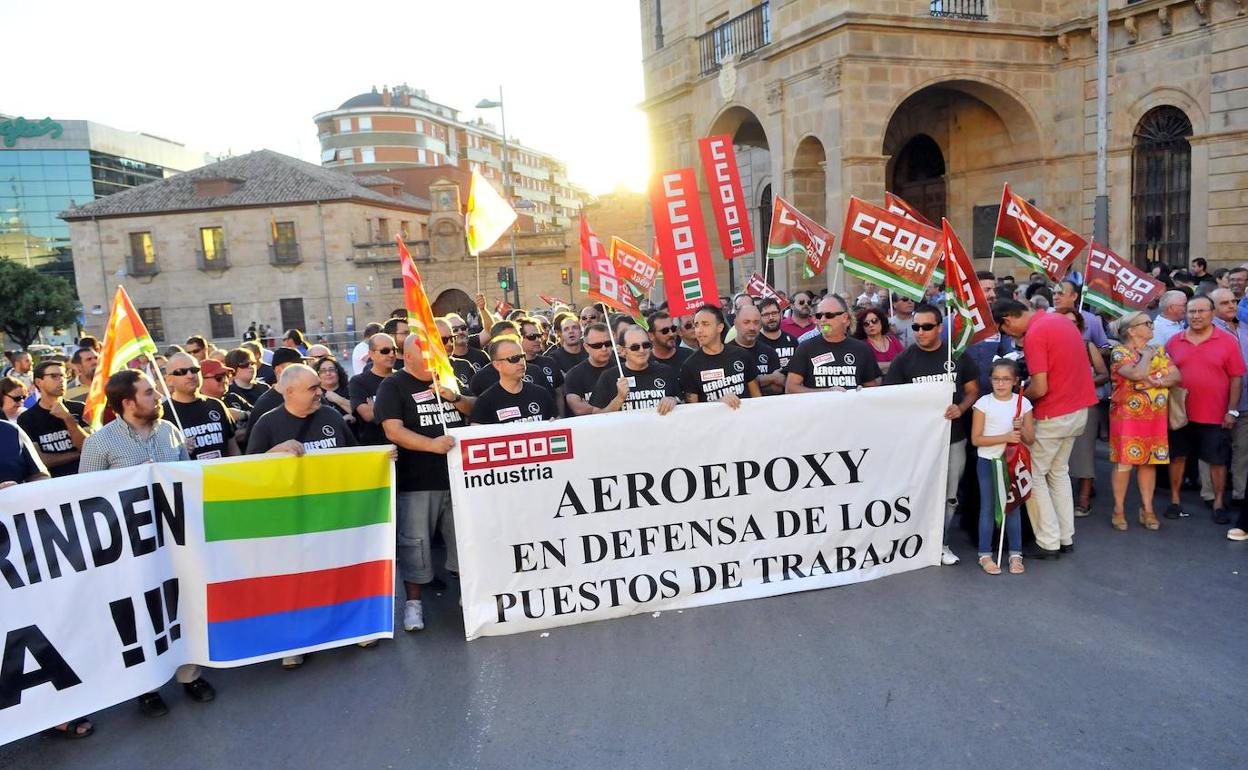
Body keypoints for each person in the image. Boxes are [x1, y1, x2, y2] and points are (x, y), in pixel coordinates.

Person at [79, 370, 215, 716]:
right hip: (131, 547)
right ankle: (147, 687)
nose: (158, 397)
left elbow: (188, 478)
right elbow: (86, 497)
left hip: (175, 539)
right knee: (143, 613)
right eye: (149, 392)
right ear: (128, 402)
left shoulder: (170, 431)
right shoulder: (100, 443)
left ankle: (189, 674)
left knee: (181, 604)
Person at [376, 335, 475, 632]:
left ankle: (469, 596)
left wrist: (454, 398)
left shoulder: (448, 377)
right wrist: (432, 445)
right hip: (417, 482)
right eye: (426, 352)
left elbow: (475, 409)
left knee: (464, 540)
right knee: (415, 545)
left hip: (458, 479)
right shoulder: (392, 386)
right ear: (407, 357)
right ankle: (413, 604)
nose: (434, 357)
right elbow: (393, 431)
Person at [992, 298, 1098, 559]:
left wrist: (1017, 399)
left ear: (1008, 320)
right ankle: (1064, 537)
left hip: (1053, 413)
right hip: (1078, 410)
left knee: (1034, 475)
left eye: (1006, 331)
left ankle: (1048, 541)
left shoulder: (1036, 333)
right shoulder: (1061, 320)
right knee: (1059, 473)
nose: (1010, 336)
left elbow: (1040, 388)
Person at [885, 303, 980, 565]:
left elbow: (973, 390)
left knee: (950, 496)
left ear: (939, 327)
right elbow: (891, 398)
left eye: (927, 327)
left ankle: (941, 543)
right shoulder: (904, 360)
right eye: (916, 327)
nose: (920, 332)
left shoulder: (957, 355)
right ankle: (916, 542)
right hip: (919, 442)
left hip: (954, 438)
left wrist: (961, 408)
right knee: (919, 493)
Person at [1164, 294, 1245, 524]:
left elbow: (1236, 378)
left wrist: (1232, 410)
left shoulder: (1228, 342)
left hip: (1215, 414)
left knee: (1217, 461)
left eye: (1202, 311)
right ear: (1186, 314)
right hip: (1181, 414)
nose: (1196, 316)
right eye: (1192, 311)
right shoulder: (1174, 341)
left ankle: (1218, 503)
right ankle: (1175, 500)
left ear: (1212, 314)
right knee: (1177, 458)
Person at [1108, 311, 1180, 531]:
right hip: (1127, 417)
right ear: (1131, 330)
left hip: (1155, 417)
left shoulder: (1159, 350)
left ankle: (1147, 509)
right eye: (1147, 323)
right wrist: (1147, 357)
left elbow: (1176, 376)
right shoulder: (1120, 352)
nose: (1152, 327)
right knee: (1124, 462)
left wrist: (1156, 382)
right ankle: (1119, 509)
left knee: (1149, 462)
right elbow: (1136, 374)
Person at [971, 360, 1035, 575]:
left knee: (1013, 507)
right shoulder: (983, 403)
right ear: (990, 380)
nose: (1000, 383)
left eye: (1006, 379)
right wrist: (1005, 437)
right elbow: (976, 439)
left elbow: (1030, 438)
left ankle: (1016, 554)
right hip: (988, 461)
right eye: (996, 379)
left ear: (1015, 381)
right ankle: (985, 554)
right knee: (988, 508)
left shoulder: (1023, 403)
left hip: (1013, 462)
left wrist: (1020, 429)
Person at [1054, 309, 1110, 517]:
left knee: (1084, 450)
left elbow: (1103, 374)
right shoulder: (1052, 345)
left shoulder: (1088, 346)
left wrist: (1083, 383)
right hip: (1057, 404)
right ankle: (1059, 495)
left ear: (1080, 327)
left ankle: (1084, 497)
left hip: (1085, 403)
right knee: (1058, 452)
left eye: (1073, 323)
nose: (1068, 327)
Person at [246, 364, 358, 455]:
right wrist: (274, 453)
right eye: (313, 388)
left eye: (319, 386)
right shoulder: (266, 424)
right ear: (290, 392)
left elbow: (355, 455)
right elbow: (251, 468)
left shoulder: (332, 415)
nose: (320, 392)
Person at [786, 295, 882, 393]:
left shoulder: (862, 349)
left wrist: (862, 392)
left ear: (844, 317)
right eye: (819, 316)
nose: (823, 320)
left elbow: (871, 387)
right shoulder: (806, 348)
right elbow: (790, 388)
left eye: (829, 315)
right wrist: (827, 393)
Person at [18, 360, 90, 477]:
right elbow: (40, 461)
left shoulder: (79, 408)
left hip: (86, 476)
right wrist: (78, 454)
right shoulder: (27, 418)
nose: (61, 380)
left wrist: (68, 418)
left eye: (63, 376)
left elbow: (89, 447)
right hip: (54, 481)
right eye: (54, 376)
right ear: (38, 382)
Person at [679, 304, 761, 406]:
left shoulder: (742, 355)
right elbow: (693, 410)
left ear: (720, 327)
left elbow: (757, 398)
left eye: (705, 324)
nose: (699, 330)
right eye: (696, 325)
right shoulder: (689, 366)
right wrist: (718, 404)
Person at [161, 353, 239, 460]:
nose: (190, 375)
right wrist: (177, 450)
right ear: (169, 380)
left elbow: (234, 450)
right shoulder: (163, 414)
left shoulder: (216, 405)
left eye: (194, 370)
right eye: (181, 372)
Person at [590, 326, 681, 414]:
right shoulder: (608, 376)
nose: (642, 350)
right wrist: (619, 398)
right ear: (622, 350)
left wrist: (673, 400)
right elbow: (595, 416)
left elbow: (683, 402)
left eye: (646, 345)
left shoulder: (665, 371)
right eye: (635, 347)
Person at [469, 337, 557, 424]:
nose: (521, 362)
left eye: (522, 357)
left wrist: (554, 423)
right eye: (514, 358)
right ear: (497, 365)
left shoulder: (541, 394)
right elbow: (476, 428)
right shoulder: (486, 401)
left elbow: (556, 420)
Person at [348, 333, 397, 446]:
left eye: (394, 350)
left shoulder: (403, 377)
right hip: (377, 447)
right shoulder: (359, 382)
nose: (391, 354)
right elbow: (368, 415)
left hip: (406, 447)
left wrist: (377, 407)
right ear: (371, 354)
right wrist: (400, 406)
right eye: (385, 351)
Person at [563, 323, 617, 416]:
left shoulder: (620, 368)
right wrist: (618, 401)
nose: (604, 349)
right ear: (586, 347)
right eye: (597, 345)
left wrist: (592, 408)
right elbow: (579, 409)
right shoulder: (575, 375)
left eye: (608, 344)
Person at [729, 304, 784, 396]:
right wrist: (770, 378)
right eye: (746, 322)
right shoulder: (726, 353)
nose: (752, 328)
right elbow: (734, 388)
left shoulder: (769, 352)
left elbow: (777, 387)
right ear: (735, 323)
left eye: (756, 322)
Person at [248, 347, 306, 419]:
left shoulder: (309, 395)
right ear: (279, 370)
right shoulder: (266, 404)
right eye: (296, 366)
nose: (302, 369)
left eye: (303, 365)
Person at [1051, 280, 1110, 348]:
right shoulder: (1047, 317)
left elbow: (1104, 347)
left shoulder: (1090, 320)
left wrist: (1088, 348)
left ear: (1074, 296)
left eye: (1060, 294)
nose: (1055, 297)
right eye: (1054, 294)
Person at [519, 317, 565, 397]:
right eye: (532, 336)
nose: (538, 340)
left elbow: (559, 394)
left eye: (539, 336)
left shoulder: (550, 362)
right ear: (519, 338)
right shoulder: (515, 366)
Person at [853, 306, 904, 375]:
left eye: (874, 321)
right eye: (866, 324)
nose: (871, 325)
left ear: (882, 321)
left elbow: (905, 360)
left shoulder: (892, 339)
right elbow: (868, 367)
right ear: (862, 328)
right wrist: (895, 364)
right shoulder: (862, 345)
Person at [757, 298, 798, 370]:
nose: (771, 318)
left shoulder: (792, 340)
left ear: (781, 314)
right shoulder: (754, 342)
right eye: (766, 314)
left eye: (774, 313)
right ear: (759, 317)